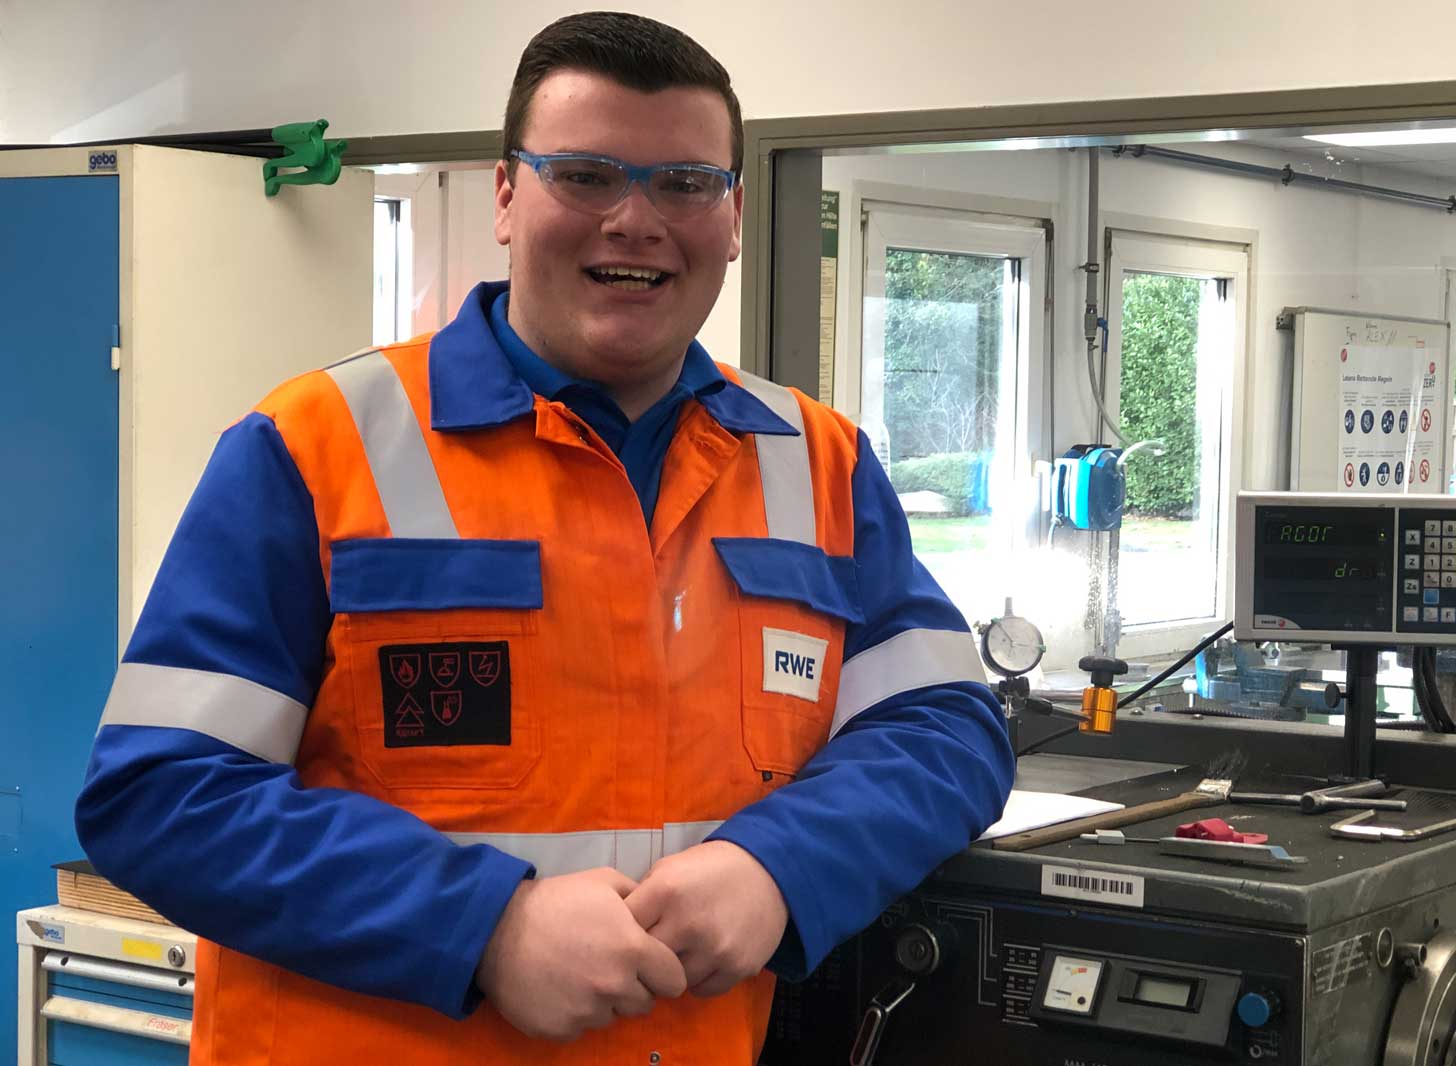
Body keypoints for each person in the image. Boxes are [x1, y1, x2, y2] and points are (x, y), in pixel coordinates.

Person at [75, 11, 1012, 1066]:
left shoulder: (818, 462)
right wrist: (483, 925)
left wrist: (779, 866)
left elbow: (947, 729)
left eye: (685, 183)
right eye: (585, 175)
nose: (636, 220)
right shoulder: (313, 446)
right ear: (506, 197)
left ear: (735, 217)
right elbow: (160, 793)